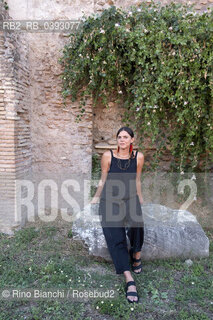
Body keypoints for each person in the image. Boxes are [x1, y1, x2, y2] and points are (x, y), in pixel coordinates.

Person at [90, 127, 145, 303]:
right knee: (115, 234)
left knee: (138, 223)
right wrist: (96, 198)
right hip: (110, 199)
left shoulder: (138, 157)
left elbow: (137, 179)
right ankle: (129, 279)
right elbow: (103, 178)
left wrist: (140, 199)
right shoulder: (108, 156)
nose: (121, 140)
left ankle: (136, 254)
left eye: (125, 137)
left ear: (132, 140)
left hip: (129, 197)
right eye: (119, 137)